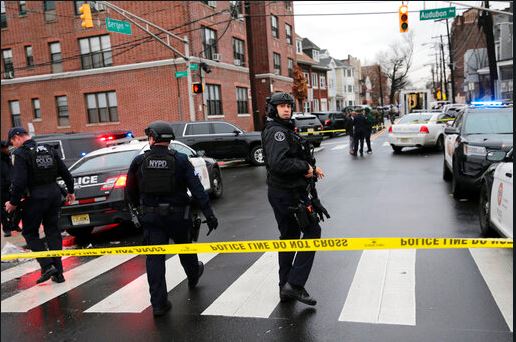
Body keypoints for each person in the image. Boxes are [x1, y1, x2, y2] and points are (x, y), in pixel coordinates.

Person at [126, 120, 218, 317]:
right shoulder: (181, 159)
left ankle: (158, 304)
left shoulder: (139, 162)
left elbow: (130, 191)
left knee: (155, 259)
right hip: (178, 216)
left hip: (151, 218)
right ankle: (193, 275)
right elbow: (197, 190)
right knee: (185, 249)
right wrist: (209, 215)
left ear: (153, 138)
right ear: (169, 140)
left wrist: (137, 212)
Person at [262, 92, 330, 306]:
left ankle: (285, 287)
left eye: (289, 106)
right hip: (287, 194)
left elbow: (293, 158)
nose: (286, 109)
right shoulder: (277, 133)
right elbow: (279, 163)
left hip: (287, 191)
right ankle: (295, 284)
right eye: (281, 106)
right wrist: (306, 167)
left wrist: (310, 169)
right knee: (312, 231)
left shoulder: (283, 130)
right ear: (273, 109)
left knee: (289, 236)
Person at [5, 127, 75, 284]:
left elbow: (19, 182)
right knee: (53, 232)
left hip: (34, 198)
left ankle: (47, 265)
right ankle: (59, 273)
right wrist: (70, 191)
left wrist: (13, 203)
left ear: (17, 137)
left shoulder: (21, 154)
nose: (13, 145)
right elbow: (65, 173)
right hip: (54, 195)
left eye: (12, 142)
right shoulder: (48, 149)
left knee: (30, 233)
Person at [1, 140, 20, 237]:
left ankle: (14, 224)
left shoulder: (8, 158)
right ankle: (6, 228)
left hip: (11, 186)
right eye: (5, 148)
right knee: (3, 210)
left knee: (16, 206)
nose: (7, 149)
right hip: (2, 189)